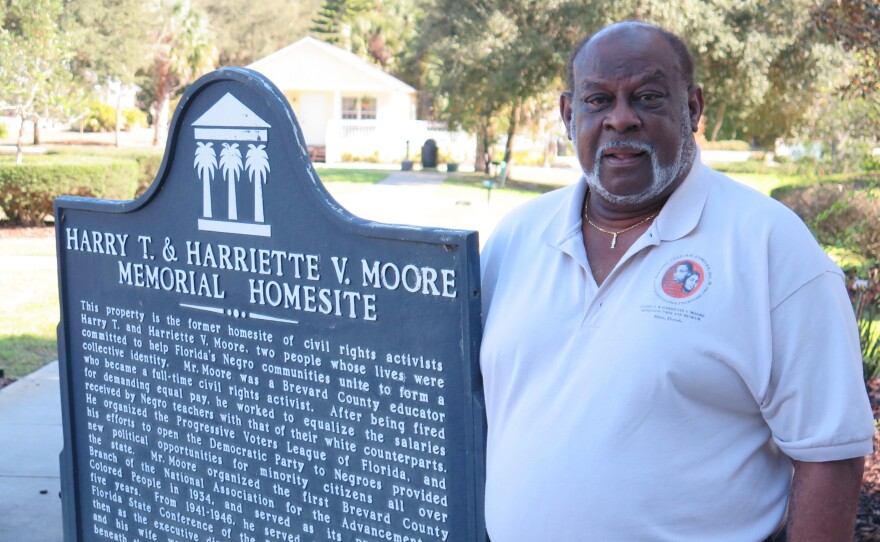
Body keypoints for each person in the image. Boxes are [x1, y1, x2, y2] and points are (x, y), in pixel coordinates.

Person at [479, 21, 875, 542]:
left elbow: (831, 456)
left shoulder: (770, 246)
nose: (622, 119)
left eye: (646, 96)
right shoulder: (516, 238)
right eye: (598, 100)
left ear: (692, 108)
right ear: (568, 113)